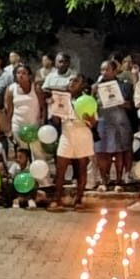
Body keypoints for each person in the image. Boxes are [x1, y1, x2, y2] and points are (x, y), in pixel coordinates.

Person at [52, 74, 97, 209]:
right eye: (70, 80)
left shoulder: (88, 100)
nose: (72, 83)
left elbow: (93, 123)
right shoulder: (62, 99)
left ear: (82, 85)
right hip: (66, 134)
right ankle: (56, 199)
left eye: (76, 81)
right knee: (61, 169)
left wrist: (88, 118)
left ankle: (79, 199)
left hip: (82, 134)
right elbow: (56, 121)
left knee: (81, 168)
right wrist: (56, 112)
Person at [92, 60, 135, 190]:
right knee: (101, 152)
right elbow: (90, 104)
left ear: (115, 71)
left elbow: (130, 105)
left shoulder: (124, 86)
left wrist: (120, 102)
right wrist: (93, 92)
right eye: (102, 70)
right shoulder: (96, 86)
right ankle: (104, 179)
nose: (104, 72)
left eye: (107, 70)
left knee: (119, 151)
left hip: (119, 122)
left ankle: (118, 181)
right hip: (102, 122)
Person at [3, 64, 45, 155]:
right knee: (23, 153)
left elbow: (43, 107)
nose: (21, 75)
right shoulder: (10, 89)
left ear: (29, 75)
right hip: (17, 125)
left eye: (24, 73)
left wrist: (42, 123)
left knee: (37, 153)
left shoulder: (36, 88)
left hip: (34, 126)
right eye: (18, 73)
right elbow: (8, 110)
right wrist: (8, 129)